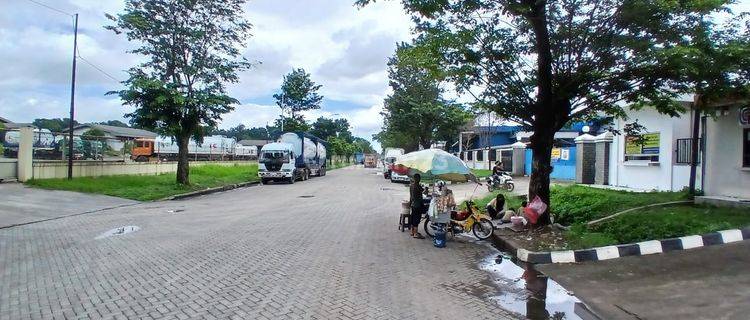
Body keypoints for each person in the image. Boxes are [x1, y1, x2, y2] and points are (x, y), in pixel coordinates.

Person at [409, 174, 426, 239]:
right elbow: (424, 192)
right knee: (417, 219)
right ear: (418, 179)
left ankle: (412, 232)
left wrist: (410, 204)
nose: (419, 179)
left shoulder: (411, 186)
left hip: (413, 204)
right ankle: (415, 233)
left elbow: (410, 196)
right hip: (418, 205)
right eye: (419, 178)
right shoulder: (418, 186)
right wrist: (426, 189)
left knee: (413, 218)